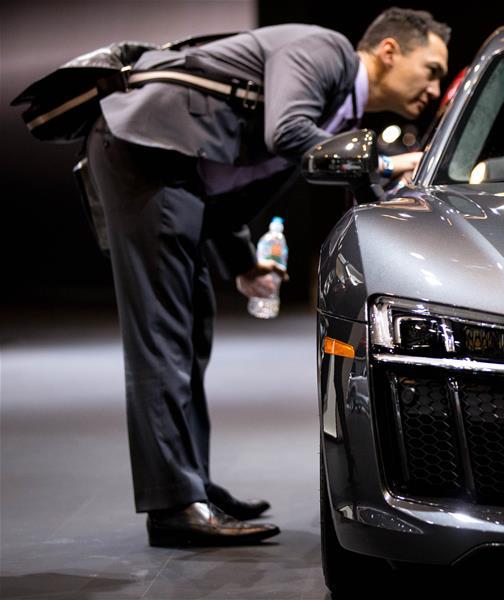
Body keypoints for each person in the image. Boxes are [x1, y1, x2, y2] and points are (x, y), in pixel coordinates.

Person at [86, 8, 449, 547]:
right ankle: (174, 504)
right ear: (390, 51)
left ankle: (191, 487)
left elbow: (228, 174)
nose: (436, 85)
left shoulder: (333, 108)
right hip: (147, 151)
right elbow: (284, 132)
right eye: (434, 68)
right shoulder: (326, 50)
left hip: (175, 166)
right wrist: (385, 165)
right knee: (162, 338)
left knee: (189, 336)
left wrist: (241, 262)